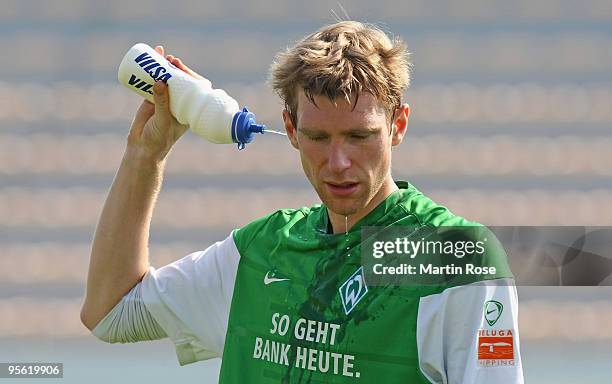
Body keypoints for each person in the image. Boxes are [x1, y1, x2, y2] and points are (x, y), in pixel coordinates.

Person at [81, 21, 524, 383]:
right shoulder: (259, 251)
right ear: (291, 130)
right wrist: (146, 155)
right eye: (317, 137)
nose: (338, 162)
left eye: (359, 136)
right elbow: (110, 312)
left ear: (398, 126)